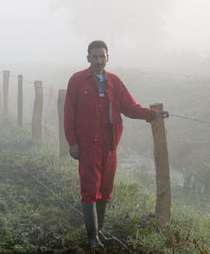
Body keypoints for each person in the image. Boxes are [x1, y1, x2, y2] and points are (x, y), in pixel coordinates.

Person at [64, 40, 169, 249]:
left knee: (105, 188)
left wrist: (153, 115)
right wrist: (72, 143)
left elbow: (130, 107)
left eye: (102, 56)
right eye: (95, 57)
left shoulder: (114, 82)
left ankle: (99, 231)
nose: (99, 60)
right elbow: (69, 114)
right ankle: (92, 238)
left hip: (109, 145)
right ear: (88, 58)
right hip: (87, 145)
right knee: (89, 188)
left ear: (108, 57)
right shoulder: (77, 81)